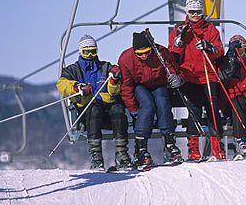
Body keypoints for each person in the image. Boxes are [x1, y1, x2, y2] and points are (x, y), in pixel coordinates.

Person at [57, 35, 132, 170]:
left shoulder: (105, 67)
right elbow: (62, 85)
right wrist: (78, 88)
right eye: (87, 52)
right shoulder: (73, 70)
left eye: (93, 51)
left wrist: (114, 80)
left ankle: (121, 154)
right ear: (80, 52)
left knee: (118, 110)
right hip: (88, 112)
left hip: (108, 111)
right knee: (94, 109)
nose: (90, 55)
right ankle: (96, 157)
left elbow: (114, 92)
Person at [168, 0, 225, 161]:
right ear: (187, 11)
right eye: (192, 11)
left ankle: (216, 144)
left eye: (198, 12)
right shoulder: (180, 30)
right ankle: (193, 146)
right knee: (194, 110)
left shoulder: (210, 30)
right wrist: (179, 43)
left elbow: (219, 52)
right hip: (190, 76)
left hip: (208, 75)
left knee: (213, 108)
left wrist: (209, 48)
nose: (195, 15)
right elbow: (173, 57)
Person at [118, 30, 184, 169]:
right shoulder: (126, 59)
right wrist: (133, 109)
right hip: (139, 86)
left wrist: (177, 79)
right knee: (147, 106)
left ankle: (169, 144)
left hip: (159, 84)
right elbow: (126, 86)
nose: (144, 56)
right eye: (140, 54)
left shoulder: (161, 53)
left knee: (163, 103)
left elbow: (174, 70)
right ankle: (141, 148)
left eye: (147, 52)